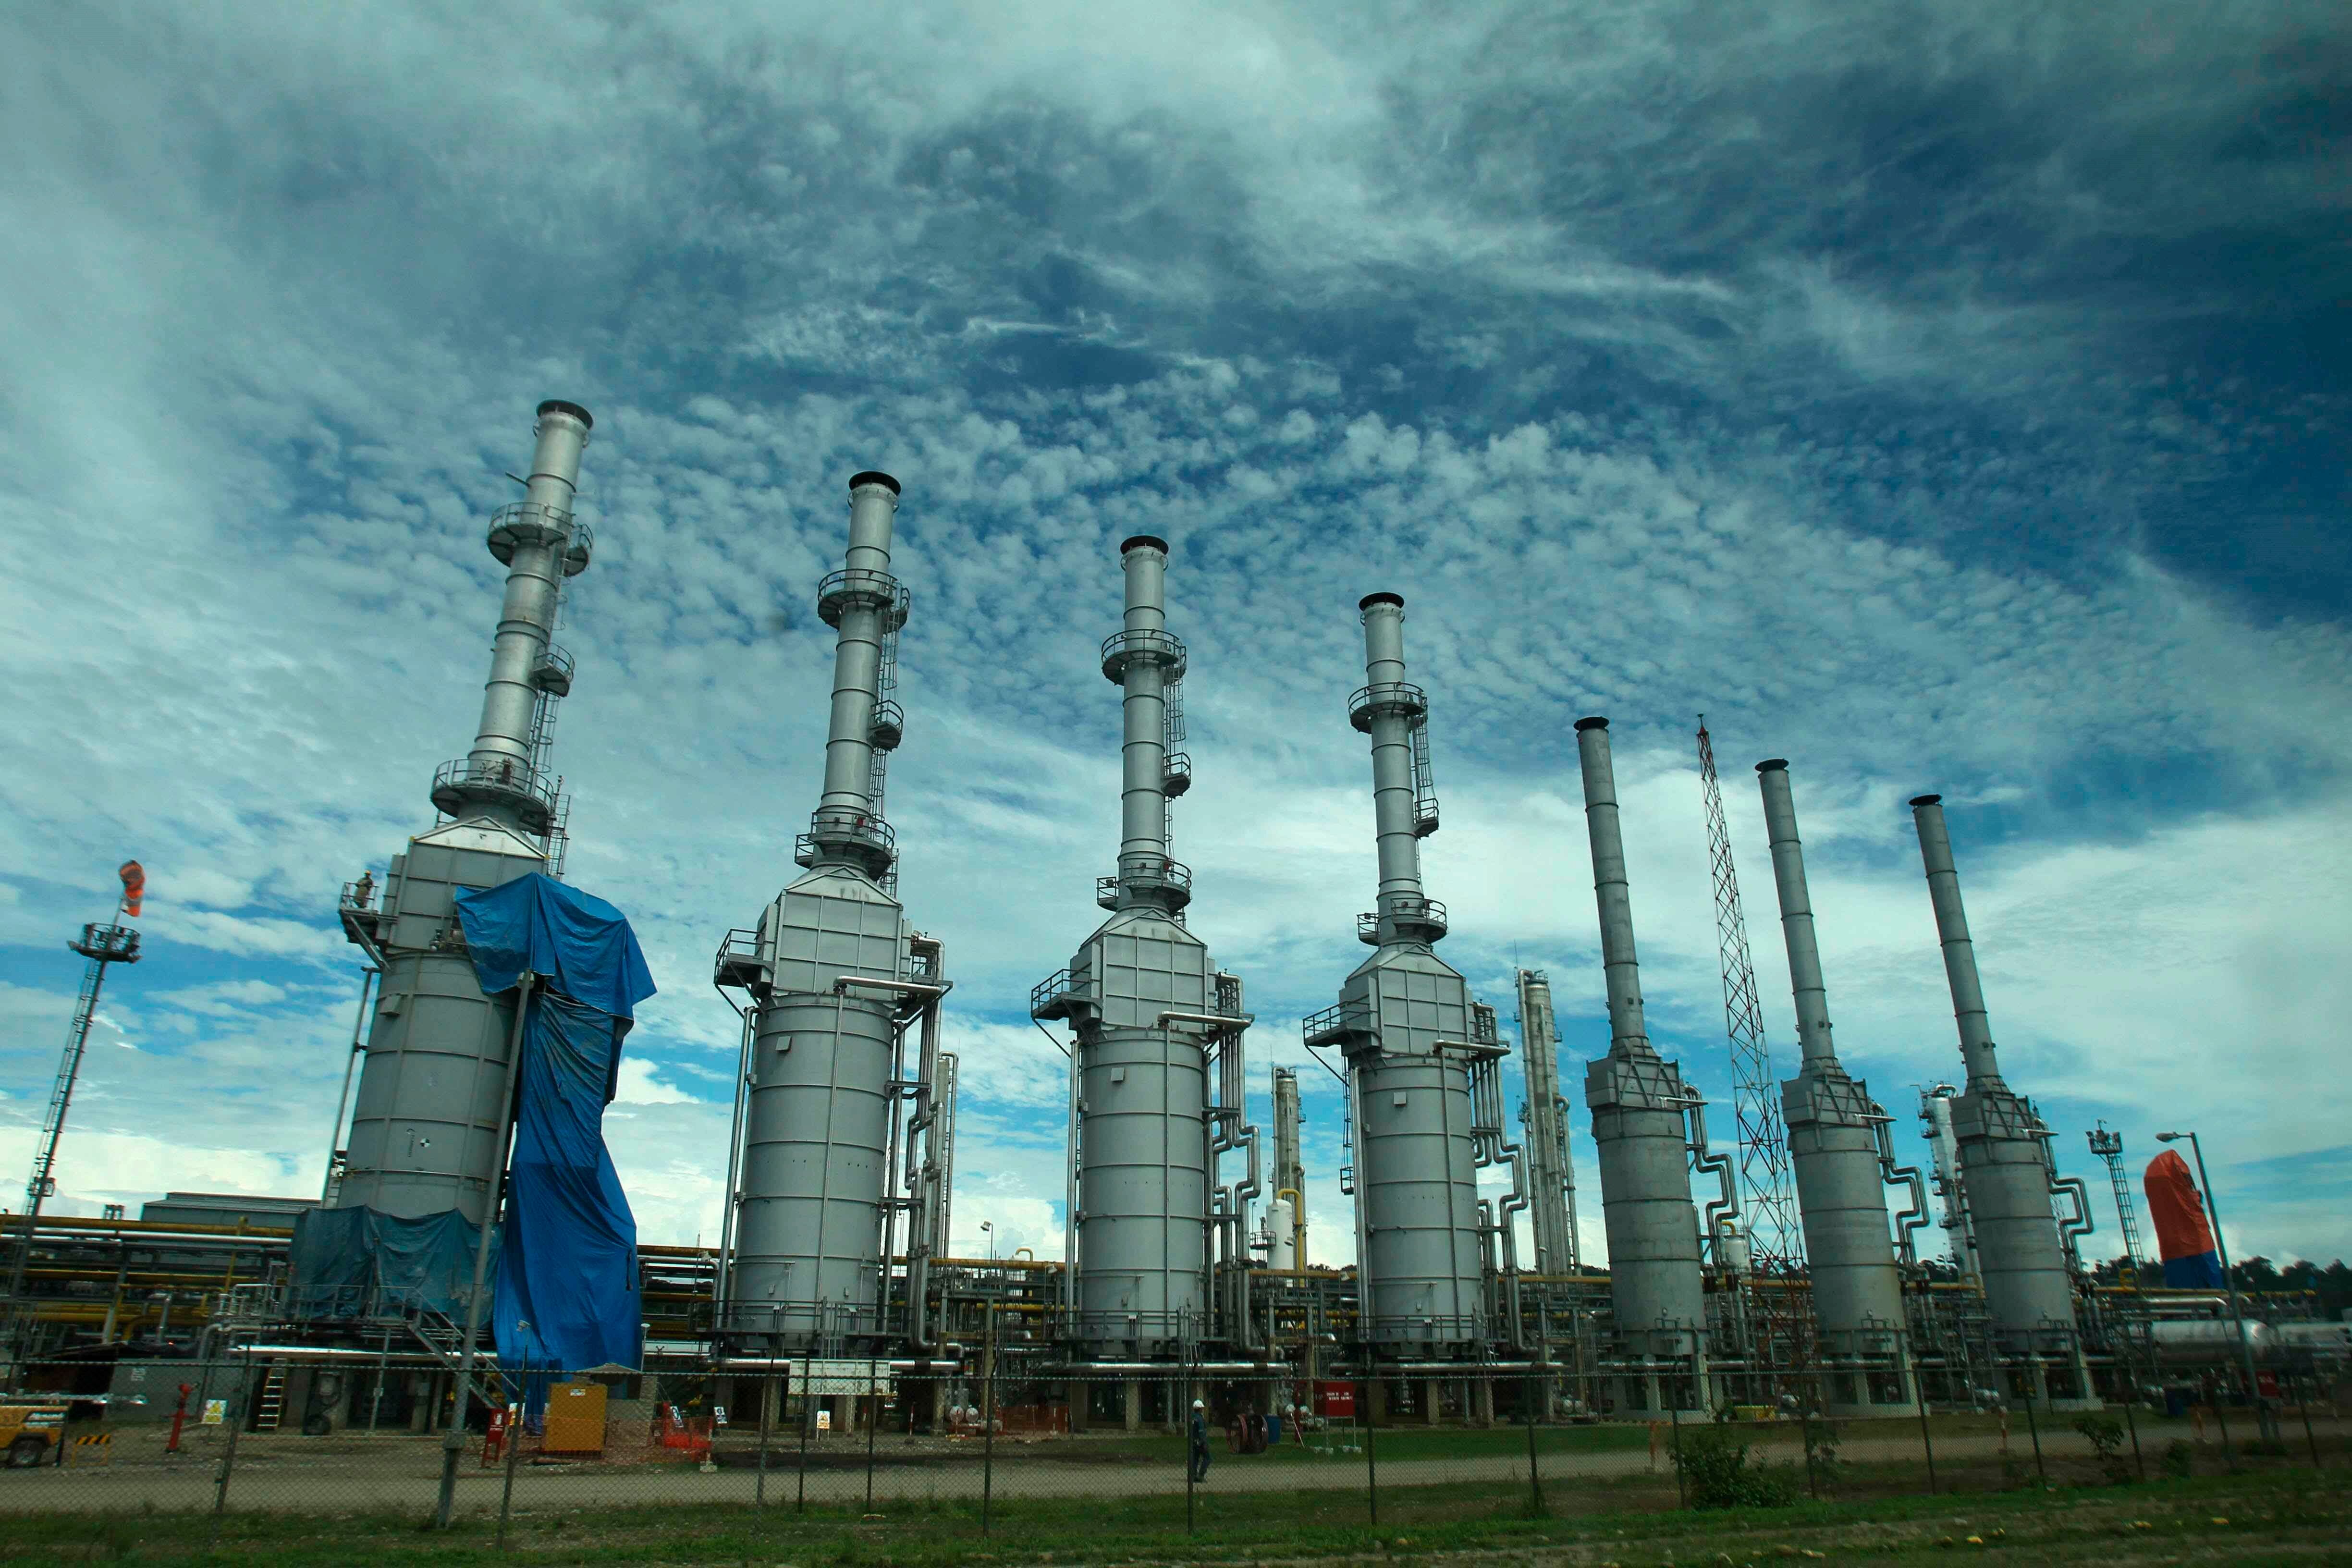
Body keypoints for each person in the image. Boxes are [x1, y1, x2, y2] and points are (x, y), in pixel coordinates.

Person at [1188, 1398, 1211, 1482]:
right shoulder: (1200, 1418)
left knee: (1195, 1459)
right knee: (1208, 1458)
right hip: (1200, 1442)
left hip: (1193, 1441)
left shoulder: (1192, 1417)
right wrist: (1203, 1442)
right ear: (1201, 1409)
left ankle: (1192, 1475)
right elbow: (1201, 1431)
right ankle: (1201, 1475)